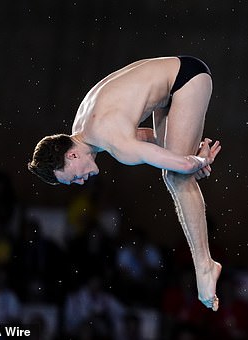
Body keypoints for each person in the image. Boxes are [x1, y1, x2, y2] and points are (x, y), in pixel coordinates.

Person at [28, 56, 222, 311]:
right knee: (175, 164)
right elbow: (148, 138)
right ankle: (205, 264)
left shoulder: (112, 141)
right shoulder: (85, 128)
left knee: (175, 175)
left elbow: (182, 166)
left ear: (71, 155)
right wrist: (190, 155)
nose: (80, 181)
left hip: (186, 80)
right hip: (176, 79)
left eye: (73, 177)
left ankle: (205, 266)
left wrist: (196, 160)